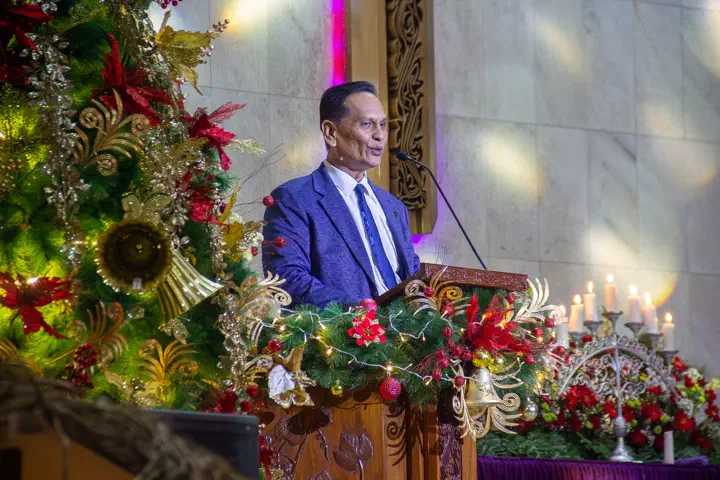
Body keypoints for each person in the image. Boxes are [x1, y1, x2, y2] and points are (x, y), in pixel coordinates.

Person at [262, 81, 420, 308]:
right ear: (330, 132)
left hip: (406, 328)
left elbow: (412, 278)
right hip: (343, 327)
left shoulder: (393, 207)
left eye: (383, 125)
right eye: (366, 124)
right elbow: (287, 278)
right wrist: (361, 313)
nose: (380, 136)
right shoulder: (293, 200)